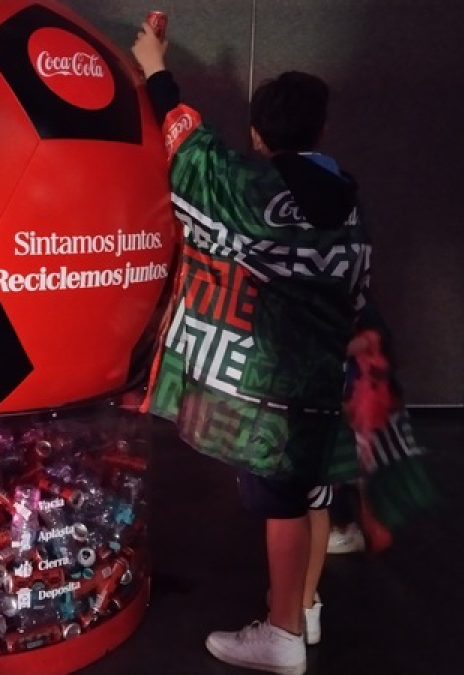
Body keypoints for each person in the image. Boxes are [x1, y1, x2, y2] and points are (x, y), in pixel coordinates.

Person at [133, 20, 372, 675]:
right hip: (324, 379)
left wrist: (154, 64)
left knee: (282, 504)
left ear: (259, 135)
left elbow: (190, 143)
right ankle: (305, 607)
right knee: (314, 492)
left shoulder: (246, 187)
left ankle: (282, 634)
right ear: (322, 131)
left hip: (270, 387)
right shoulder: (348, 200)